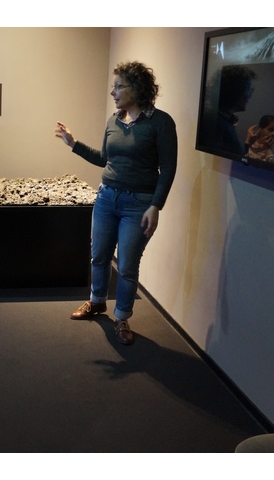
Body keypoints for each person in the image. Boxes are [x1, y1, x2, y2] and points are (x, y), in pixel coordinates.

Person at [55, 61, 178, 345]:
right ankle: (97, 301)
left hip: (139, 204)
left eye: (119, 86)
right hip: (107, 197)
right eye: (114, 87)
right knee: (98, 256)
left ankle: (122, 317)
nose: (113, 92)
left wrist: (156, 205)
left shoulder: (161, 123)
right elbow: (104, 159)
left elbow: (168, 169)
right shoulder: (113, 121)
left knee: (127, 265)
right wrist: (74, 144)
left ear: (137, 88)